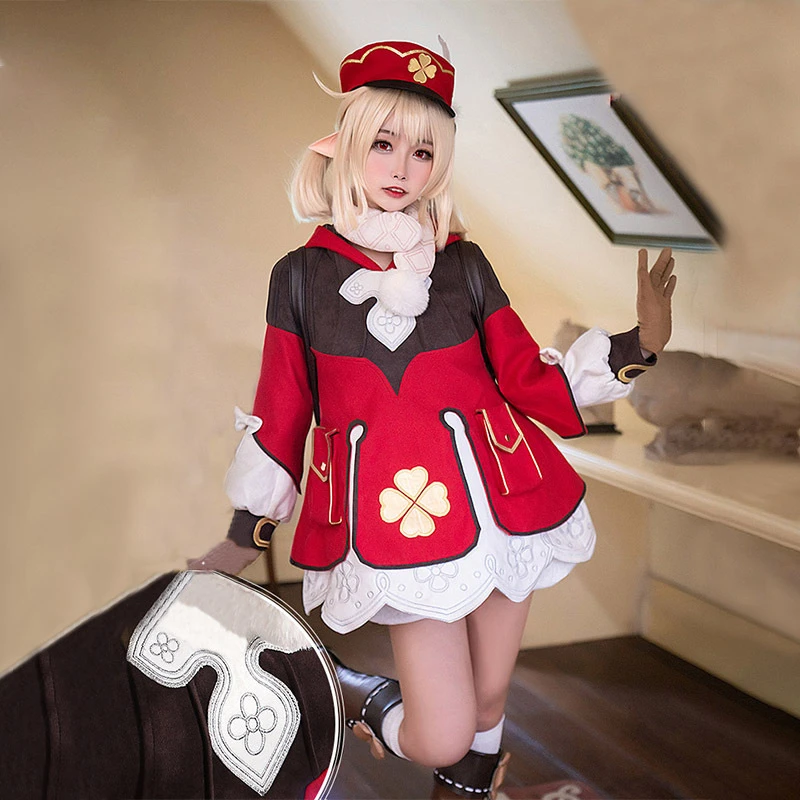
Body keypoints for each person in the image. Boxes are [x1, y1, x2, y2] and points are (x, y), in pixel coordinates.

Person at [190, 40, 676, 799]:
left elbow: (527, 376)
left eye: (423, 152)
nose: (402, 168)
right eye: (383, 144)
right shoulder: (300, 279)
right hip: (399, 526)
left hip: (504, 504)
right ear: (345, 144)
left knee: (488, 703)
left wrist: (639, 343)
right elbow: (283, 411)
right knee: (441, 732)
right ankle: (358, 693)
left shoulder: (465, 265)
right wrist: (242, 536)